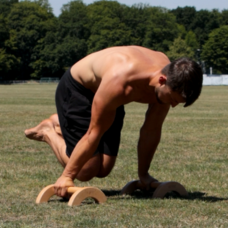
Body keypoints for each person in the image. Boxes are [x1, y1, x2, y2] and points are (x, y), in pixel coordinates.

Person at [25, 45, 203, 198]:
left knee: (104, 169)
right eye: (172, 99)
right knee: (87, 170)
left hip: (109, 94)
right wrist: (67, 176)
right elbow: (94, 133)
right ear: (162, 80)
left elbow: (151, 130)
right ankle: (48, 130)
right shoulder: (121, 82)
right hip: (80, 89)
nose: (172, 106)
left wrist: (144, 175)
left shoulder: (167, 79)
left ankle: (61, 126)